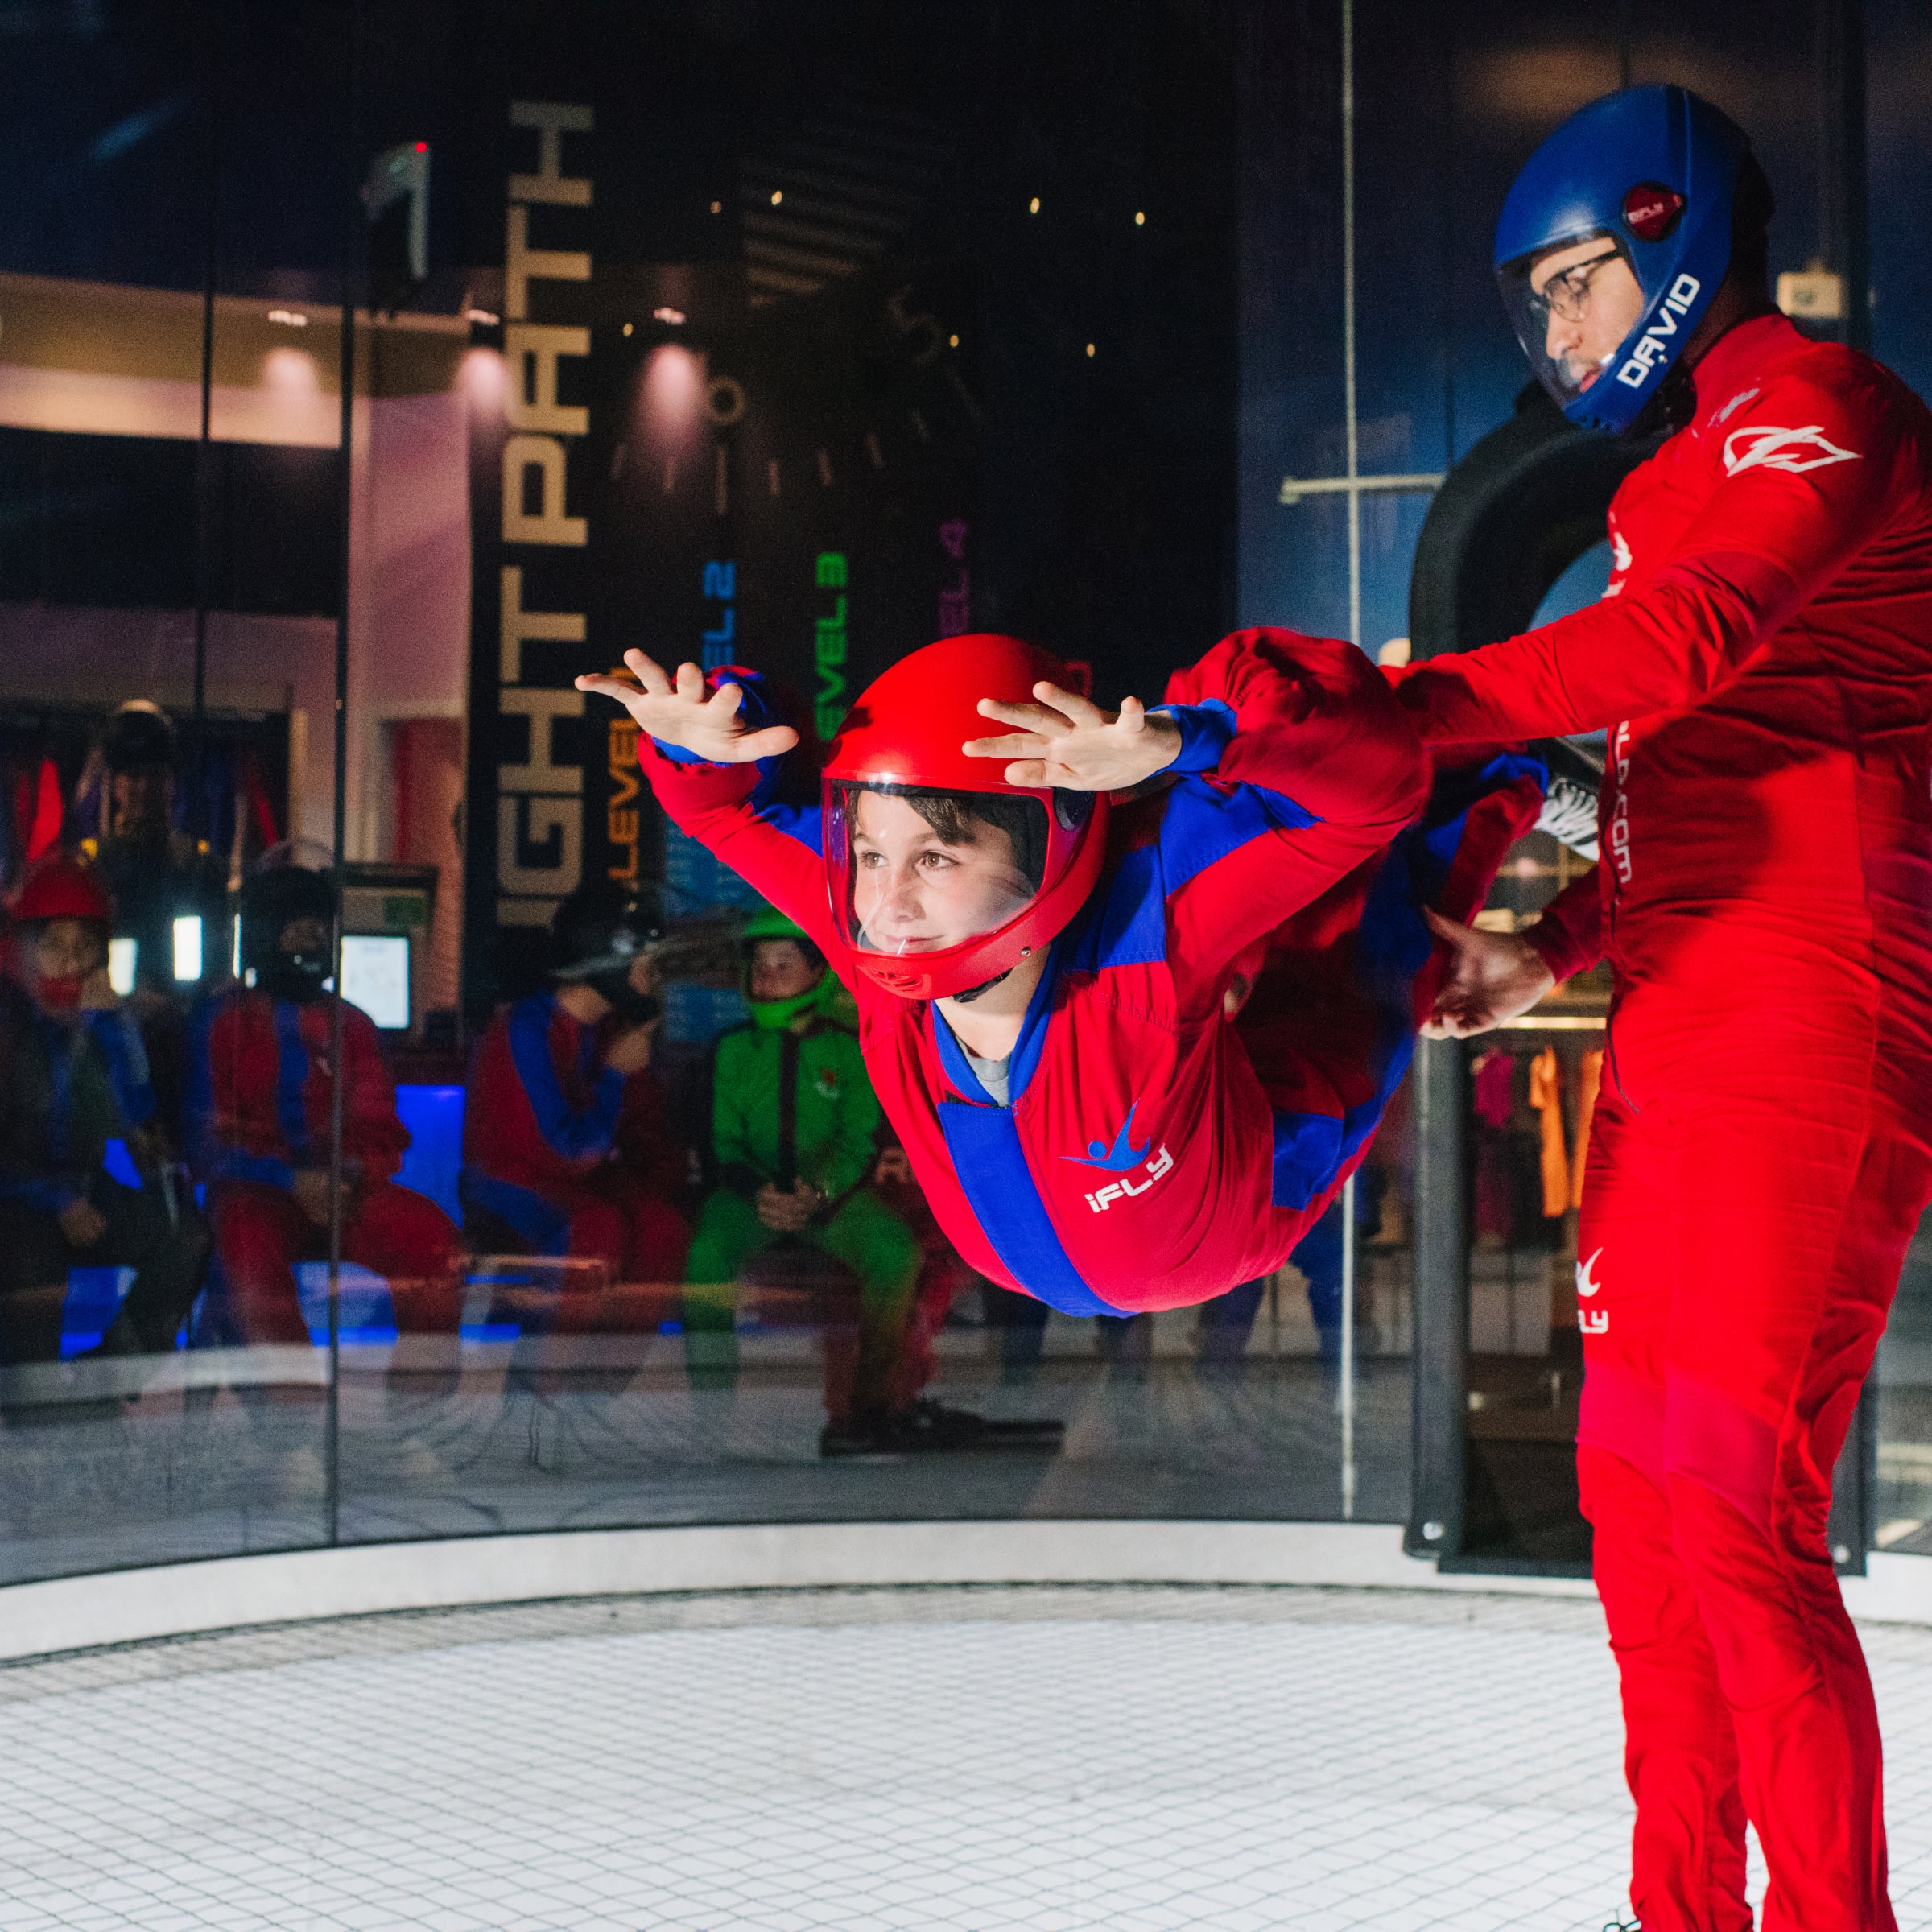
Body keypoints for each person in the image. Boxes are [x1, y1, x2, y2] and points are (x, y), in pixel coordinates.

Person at [1391, 84, 1932, 1932]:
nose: (1547, 332)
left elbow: (1690, 649)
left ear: (1673, 230)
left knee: (1729, 1510)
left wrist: (1404, 704)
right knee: (1629, 1508)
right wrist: (1543, 951)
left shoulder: (1819, 409)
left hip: (1812, 1012)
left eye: (1569, 281)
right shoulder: (1652, 484)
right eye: (1524, 300)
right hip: (1675, 1016)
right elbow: (1681, 771)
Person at [576, 628, 1542, 1323]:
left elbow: (1365, 806)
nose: (889, 902)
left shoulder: (1144, 918)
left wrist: (1199, 736)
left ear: (1048, 844)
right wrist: (702, 742)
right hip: (1028, 1257)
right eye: (871, 853)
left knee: (1368, 967)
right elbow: (729, 813)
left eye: (939, 859)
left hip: (1231, 1217)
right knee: (1349, 948)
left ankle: (1501, 778)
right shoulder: (873, 929)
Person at [686, 902, 1056, 1456]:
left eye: (784, 963)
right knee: (704, 1260)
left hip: (827, 1199)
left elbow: (856, 1140)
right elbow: (722, 1143)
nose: (767, 975)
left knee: (894, 1255)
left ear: (816, 971)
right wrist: (753, 1190)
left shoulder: (847, 1047)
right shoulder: (733, 1049)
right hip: (749, 1198)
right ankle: (711, 1412)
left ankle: (876, 1406)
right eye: (760, 964)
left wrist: (820, 1191)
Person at [188, 858, 464, 1366]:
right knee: (248, 1256)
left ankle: (418, 1404)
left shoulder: (353, 1026)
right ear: (267, 936)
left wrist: (343, 1177)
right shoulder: (221, 1021)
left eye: (319, 930)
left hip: (346, 1192)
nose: (310, 943)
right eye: (296, 931)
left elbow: (381, 1128)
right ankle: (291, 1408)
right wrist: (290, 1179)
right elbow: (208, 1139)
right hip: (256, 1191)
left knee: (435, 1241)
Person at [0, 857, 211, 1369]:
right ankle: (34, 1404)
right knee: (34, 1279)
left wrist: (112, 1024)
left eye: (84, 947)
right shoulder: (8, 1020)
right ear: (25, 949)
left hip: (84, 1193)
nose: (70, 963)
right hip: (19, 1200)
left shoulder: (99, 1020)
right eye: (53, 946)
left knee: (186, 1238)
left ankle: (111, 1374)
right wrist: (56, 1199)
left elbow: (133, 1109)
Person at [463, 884, 690, 1313]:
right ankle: (549, 1378)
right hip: (509, 1183)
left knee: (662, 1227)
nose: (656, 973)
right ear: (608, 958)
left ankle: (606, 1374)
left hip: (580, 1181)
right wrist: (615, 1075)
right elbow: (566, 1152)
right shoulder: (525, 1029)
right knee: (594, 1228)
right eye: (646, 959)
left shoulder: (609, 1025)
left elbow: (646, 1136)